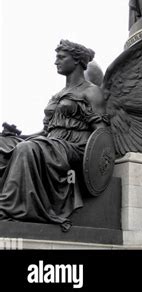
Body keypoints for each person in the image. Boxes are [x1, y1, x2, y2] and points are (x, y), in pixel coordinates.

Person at [0, 41, 108, 231]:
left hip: (75, 147)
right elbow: (45, 132)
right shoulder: (58, 94)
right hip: (50, 143)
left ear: (76, 61)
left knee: (27, 148)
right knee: (4, 144)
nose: (55, 62)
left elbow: (102, 135)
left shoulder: (92, 91)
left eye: (61, 57)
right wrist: (17, 135)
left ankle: (9, 207)